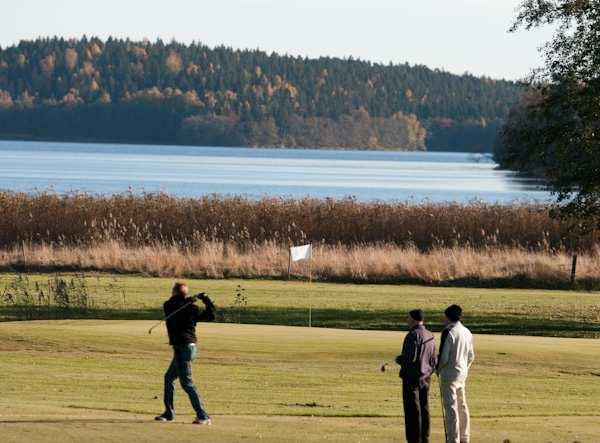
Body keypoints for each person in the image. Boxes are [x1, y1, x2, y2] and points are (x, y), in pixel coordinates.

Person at [155, 282, 216, 425]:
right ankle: (169, 413)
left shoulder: (187, 307)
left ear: (175, 292)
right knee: (169, 377)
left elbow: (210, 316)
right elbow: (176, 305)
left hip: (186, 348)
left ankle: (203, 416)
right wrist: (193, 300)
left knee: (186, 383)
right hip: (183, 349)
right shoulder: (173, 306)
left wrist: (205, 299)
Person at [395, 309, 437, 443]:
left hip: (412, 378)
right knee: (424, 408)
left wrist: (399, 359)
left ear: (413, 319)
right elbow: (433, 359)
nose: (407, 320)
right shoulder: (429, 334)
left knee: (412, 411)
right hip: (426, 377)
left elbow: (410, 358)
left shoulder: (412, 335)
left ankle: (414, 439)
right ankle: (425, 437)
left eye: (408, 318)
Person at [437, 304, 475, 443]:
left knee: (451, 407)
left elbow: (444, 357)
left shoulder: (449, 331)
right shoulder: (467, 331)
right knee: (462, 406)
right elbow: (471, 356)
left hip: (449, 375)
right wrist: (465, 368)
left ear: (448, 317)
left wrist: (438, 368)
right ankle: (465, 437)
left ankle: (453, 439)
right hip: (462, 374)